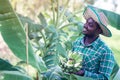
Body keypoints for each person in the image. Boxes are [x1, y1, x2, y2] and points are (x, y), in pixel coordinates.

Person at [72, 6, 115, 80]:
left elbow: (104, 78)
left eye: (90, 25)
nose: (85, 25)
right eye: (86, 22)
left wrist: (84, 73)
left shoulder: (106, 52)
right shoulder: (77, 42)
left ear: (99, 31)